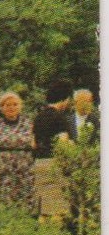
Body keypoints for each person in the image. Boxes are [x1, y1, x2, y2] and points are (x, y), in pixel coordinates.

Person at [0, 92, 38, 214]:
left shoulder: (28, 124)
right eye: (7, 105)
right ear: (1, 108)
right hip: (3, 166)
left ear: (20, 107)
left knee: (25, 193)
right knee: (3, 195)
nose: (11, 107)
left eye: (15, 104)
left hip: (24, 166)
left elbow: (34, 144)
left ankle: (26, 220)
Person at [31, 81, 73, 218]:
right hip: (55, 165)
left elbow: (33, 144)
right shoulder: (60, 118)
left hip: (40, 163)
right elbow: (62, 145)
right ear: (65, 99)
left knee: (43, 211)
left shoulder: (38, 117)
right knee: (56, 210)